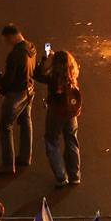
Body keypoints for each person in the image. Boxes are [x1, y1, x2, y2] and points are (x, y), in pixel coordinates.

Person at [0, 23, 35, 175]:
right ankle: (25, 156)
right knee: (26, 122)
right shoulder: (31, 48)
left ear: (11, 36)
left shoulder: (15, 54)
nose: (6, 43)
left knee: (5, 126)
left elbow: (9, 79)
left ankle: (8, 165)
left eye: (6, 40)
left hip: (17, 94)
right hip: (29, 90)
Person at [43, 47, 83, 189]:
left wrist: (47, 61)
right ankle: (75, 176)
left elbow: (39, 74)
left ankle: (61, 177)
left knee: (52, 141)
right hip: (71, 113)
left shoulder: (54, 78)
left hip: (56, 113)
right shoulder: (72, 75)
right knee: (71, 140)